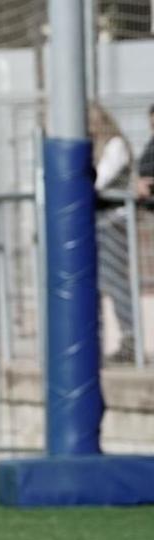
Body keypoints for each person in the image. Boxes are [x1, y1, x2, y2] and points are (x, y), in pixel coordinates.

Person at [91, 102, 149, 363]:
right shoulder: (98, 148)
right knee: (101, 282)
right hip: (99, 220)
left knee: (116, 281)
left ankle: (130, 339)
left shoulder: (114, 145)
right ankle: (105, 339)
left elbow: (99, 182)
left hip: (114, 221)